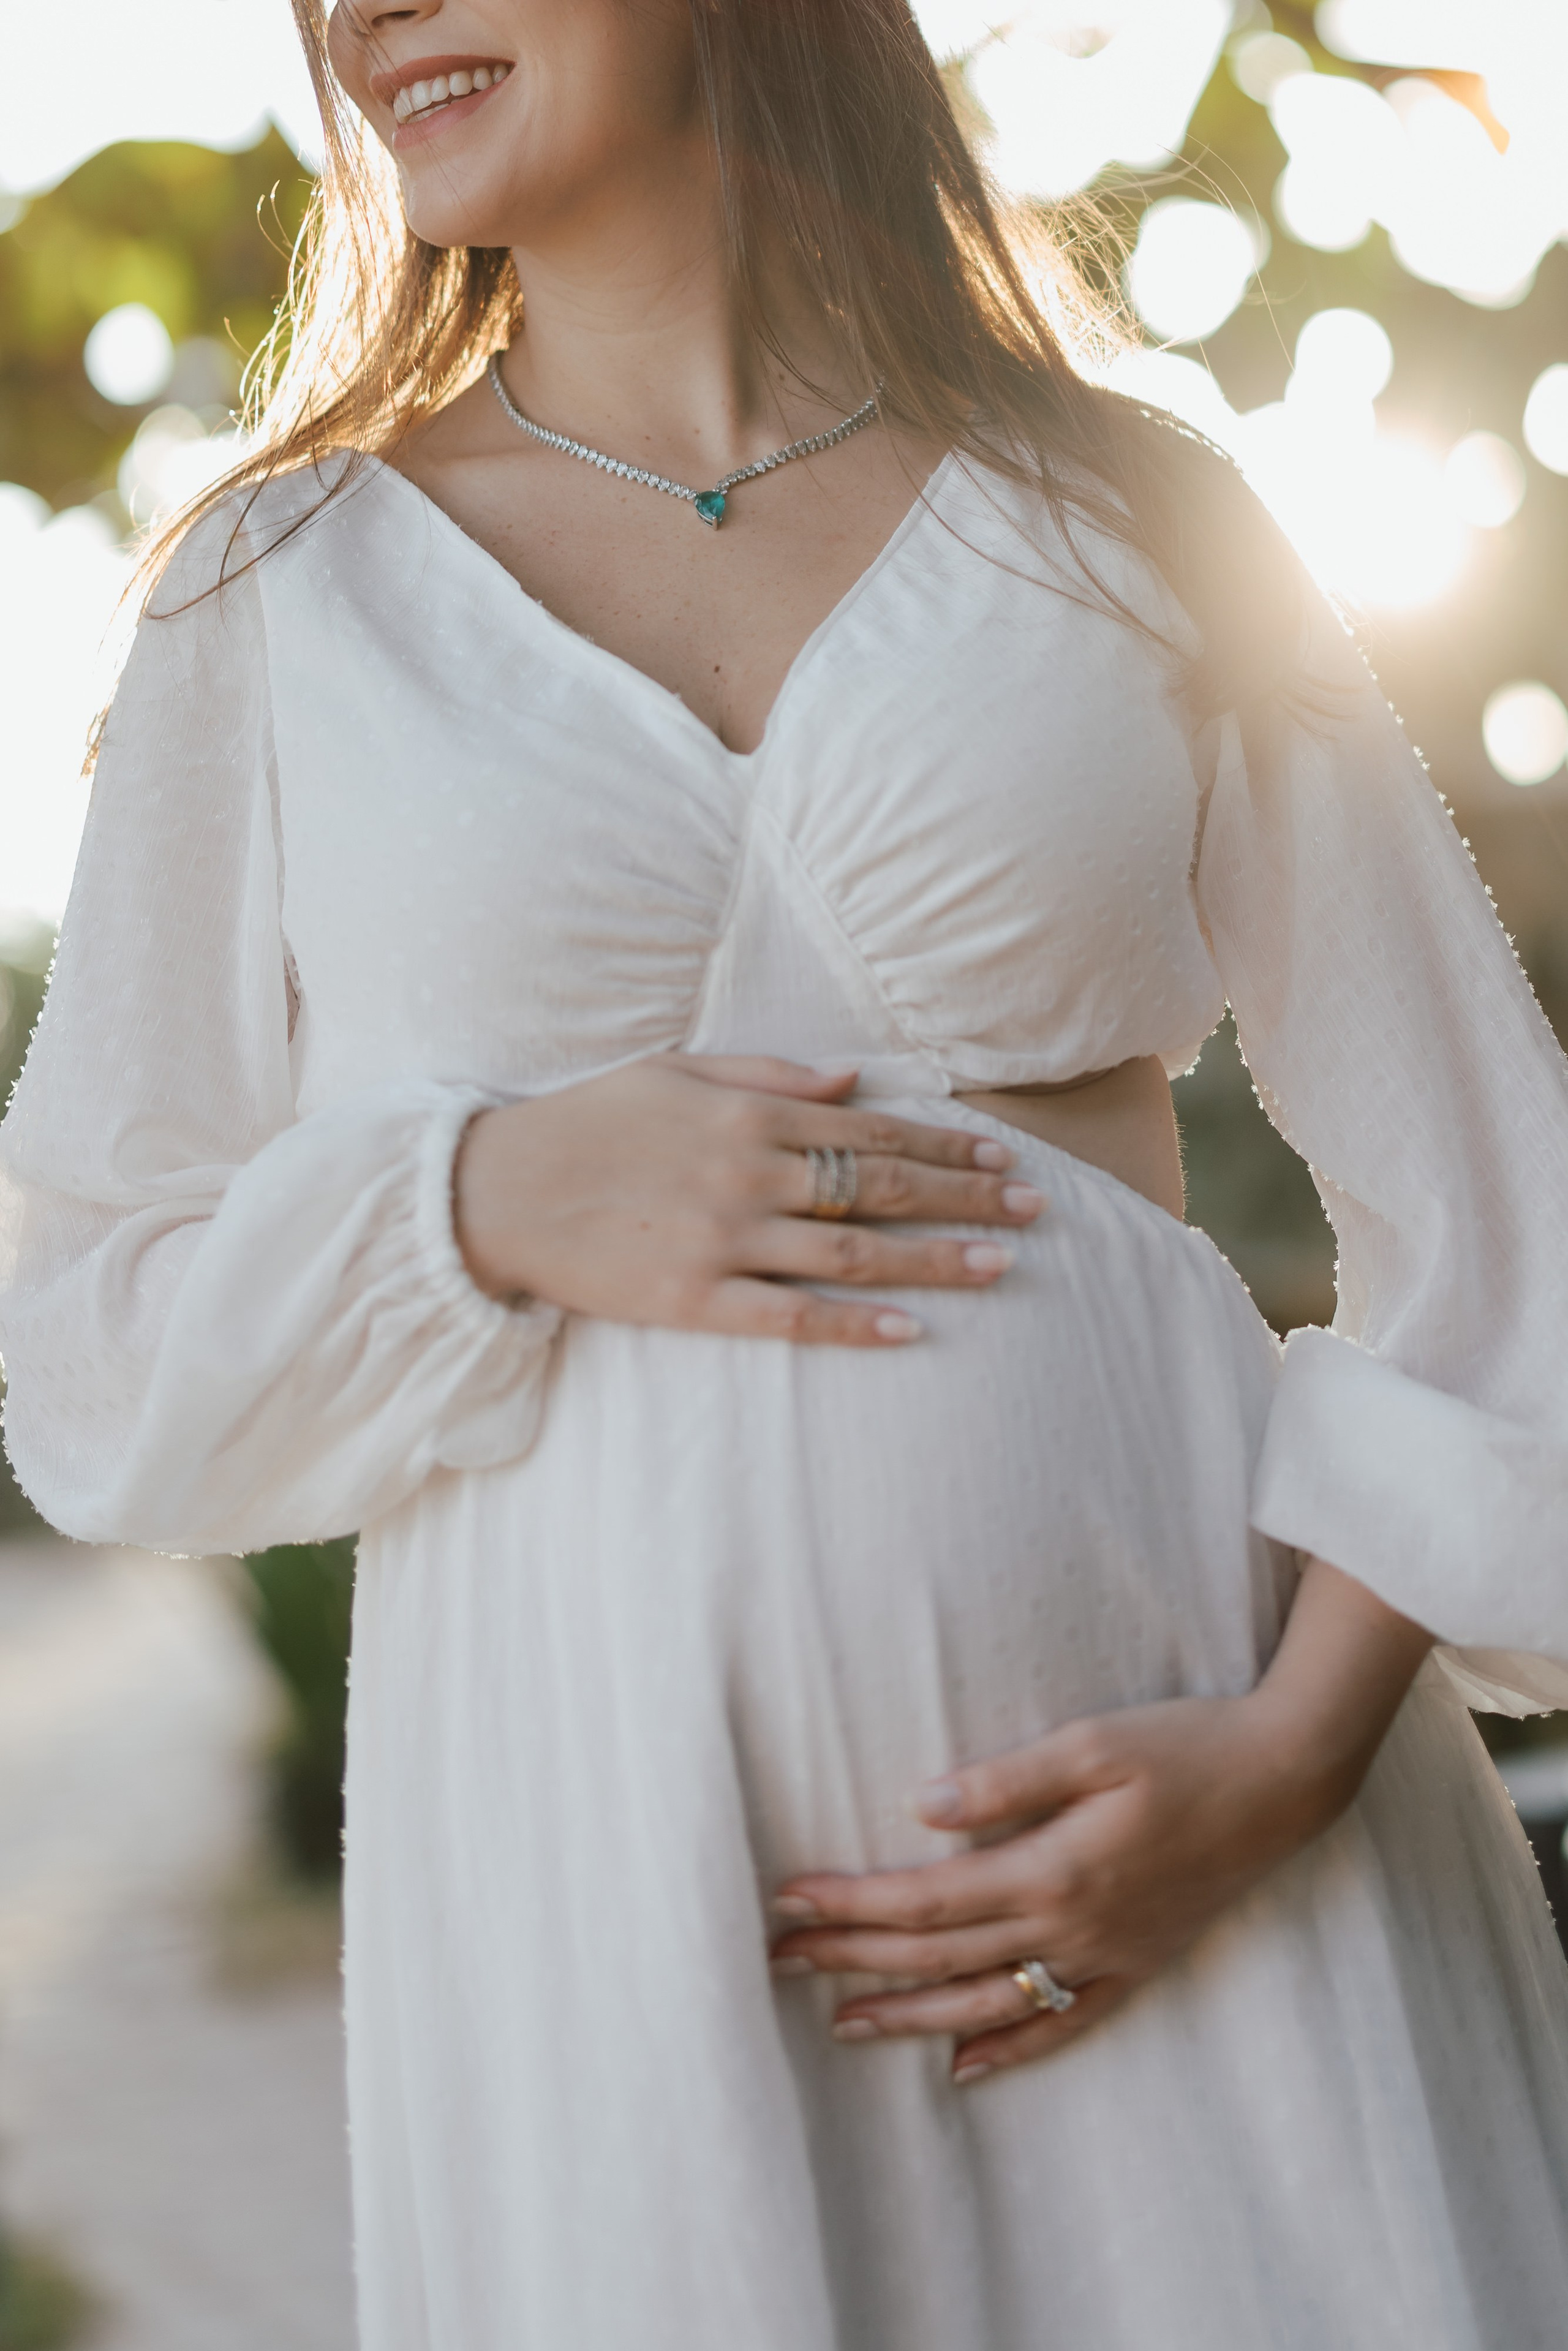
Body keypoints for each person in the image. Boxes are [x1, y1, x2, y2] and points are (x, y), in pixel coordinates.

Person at [4, 1, 1568, 2343]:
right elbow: (83, 1337)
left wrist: (1284, 1750)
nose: (363, 8)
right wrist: (471, 1200)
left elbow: (1497, 1203)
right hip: (622, 1901)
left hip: (1230, 1862)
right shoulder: (278, 591)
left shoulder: (1130, 509)